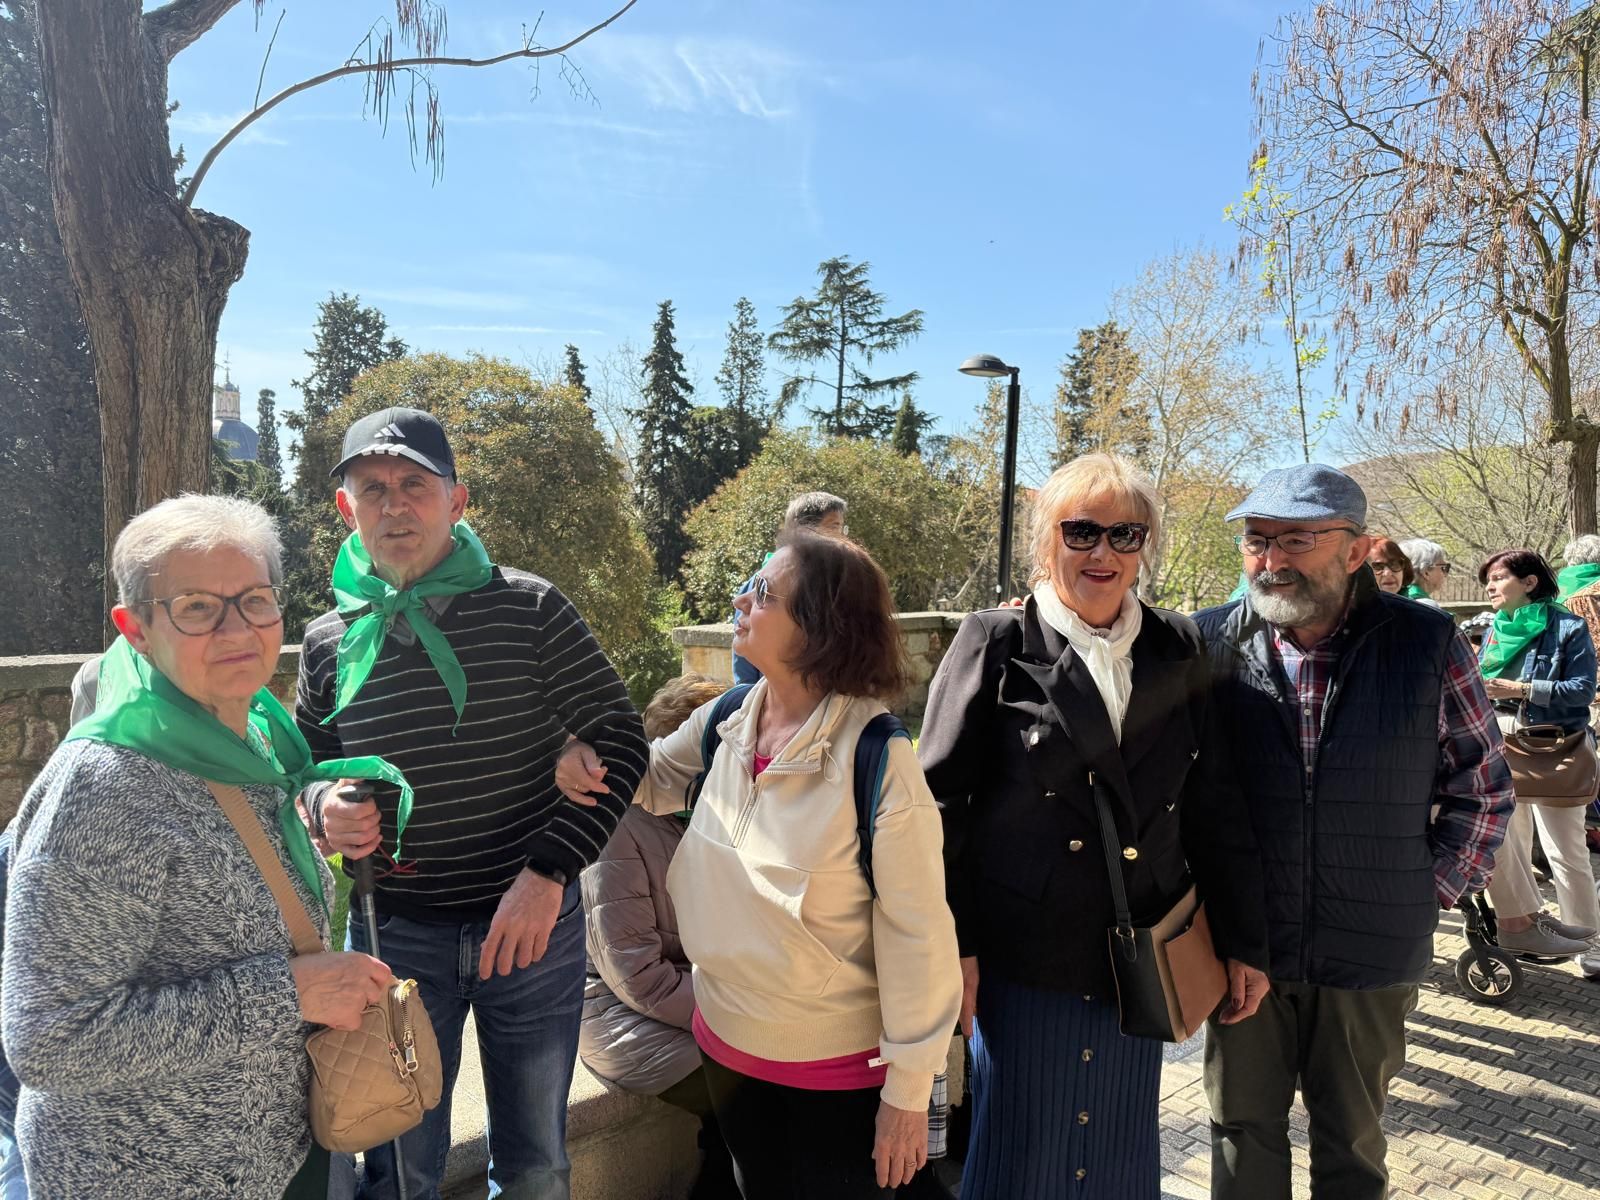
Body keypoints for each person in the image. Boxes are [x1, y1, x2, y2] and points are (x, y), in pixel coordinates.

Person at [297, 407, 649, 1200]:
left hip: (531, 932)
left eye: (414, 485)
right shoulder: (328, 639)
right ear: (347, 507)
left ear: (457, 501)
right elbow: (304, 764)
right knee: (398, 1170)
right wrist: (322, 804)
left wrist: (549, 873)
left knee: (535, 1167)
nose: (394, 504)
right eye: (372, 487)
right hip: (396, 940)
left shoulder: (530, 610)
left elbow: (623, 741)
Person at [3, 495, 398, 1198]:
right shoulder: (106, 788)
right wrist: (288, 993)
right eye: (196, 606)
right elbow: (50, 1041)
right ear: (137, 629)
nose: (236, 628)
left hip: (275, 1152)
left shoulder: (251, 737)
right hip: (148, 1175)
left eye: (254, 599)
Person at [917, 453, 1270, 1200]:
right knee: (1023, 1153)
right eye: (1081, 532)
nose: (1102, 553)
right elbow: (939, 808)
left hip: (1141, 960)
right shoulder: (995, 644)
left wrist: (1244, 942)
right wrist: (956, 947)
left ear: (1146, 546)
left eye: (1124, 534)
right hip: (1024, 962)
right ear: (1048, 541)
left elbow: (1215, 805)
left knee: (1115, 1152)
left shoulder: (1179, 647)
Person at [576, 531, 961, 1198]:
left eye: (763, 592)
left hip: (836, 1081)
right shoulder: (728, 717)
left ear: (820, 629)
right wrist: (579, 748)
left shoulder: (877, 759)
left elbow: (920, 937)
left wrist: (908, 1095)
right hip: (727, 1057)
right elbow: (648, 779)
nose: (740, 600)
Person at [1195, 463, 1513, 1200]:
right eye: (1255, 539)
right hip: (1245, 948)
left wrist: (1426, 889)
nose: (1270, 560)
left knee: (1351, 1143)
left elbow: (1483, 786)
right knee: (1240, 1134)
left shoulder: (1426, 643)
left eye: (1296, 539)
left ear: (1357, 550)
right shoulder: (1206, 642)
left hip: (1372, 952)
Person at [578, 673, 738, 1200]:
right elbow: (636, 977)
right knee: (748, 1094)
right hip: (618, 1016)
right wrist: (741, 1013)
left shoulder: (719, 814)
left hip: (704, 1000)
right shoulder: (619, 827)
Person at [1476, 548, 1600, 975]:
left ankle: (1590, 942)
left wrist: (1521, 689)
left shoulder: (1568, 626)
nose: (1489, 587)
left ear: (1529, 582)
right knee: (1508, 844)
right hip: (1500, 746)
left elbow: (1584, 690)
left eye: (1497, 577)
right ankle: (1531, 929)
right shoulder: (1494, 628)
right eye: (1486, 581)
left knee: (1565, 850)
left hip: (1553, 750)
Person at [730, 492, 848, 684]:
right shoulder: (759, 584)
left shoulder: (832, 583)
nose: (841, 537)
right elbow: (743, 657)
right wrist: (748, 700)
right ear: (803, 530)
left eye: (842, 528)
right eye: (834, 527)